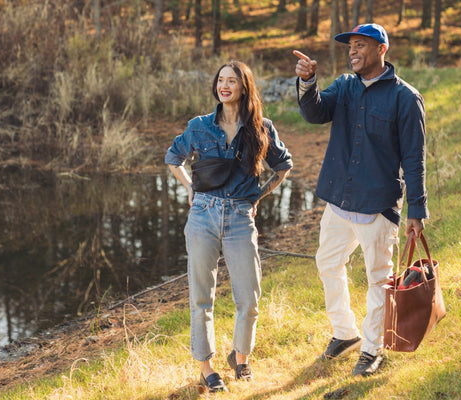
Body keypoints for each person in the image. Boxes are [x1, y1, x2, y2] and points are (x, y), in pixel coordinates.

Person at [293, 23, 429, 377]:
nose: (352, 51)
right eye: (350, 46)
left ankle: (372, 349)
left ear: (382, 49)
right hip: (339, 198)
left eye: (360, 45)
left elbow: (414, 158)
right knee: (327, 263)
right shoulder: (344, 86)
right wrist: (308, 82)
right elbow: (315, 113)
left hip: (377, 205)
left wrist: (417, 208)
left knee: (379, 279)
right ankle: (345, 332)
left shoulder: (405, 97)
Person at [165, 60, 293, 392]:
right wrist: (190, 190)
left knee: (248, 297)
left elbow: (283, 167)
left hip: (240, 218)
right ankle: (207, 368)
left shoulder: (261, 128)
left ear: (243, 87)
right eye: (220, 80)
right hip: (203, 216)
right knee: (201, 296)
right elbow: (172, 158)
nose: (224, 86)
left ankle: (240, 357)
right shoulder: (199, 126)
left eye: (232, 81)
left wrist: (258, 197)